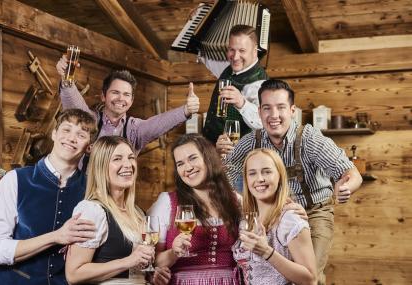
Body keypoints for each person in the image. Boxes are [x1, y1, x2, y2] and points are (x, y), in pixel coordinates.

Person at [219, 79, 363, 284]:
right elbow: (226, 173)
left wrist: (345, 187)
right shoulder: (252, 141)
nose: (274, 115)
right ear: (259, 112)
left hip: (314, 212)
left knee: (309, 276)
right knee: (275, 272)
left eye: (281, 107)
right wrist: (221, 157)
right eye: (267, 108)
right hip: (273, 213)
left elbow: (350, 172)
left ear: (292, 110)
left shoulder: (310, 139)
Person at [0, 108, 98, 285]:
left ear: (89, 147)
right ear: (54, 134)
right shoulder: (14, 180)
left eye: (81, 135)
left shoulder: (92, 191)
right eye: (66, 130)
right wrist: (56, 236)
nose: (71, 138)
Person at [149, 133, 242, 284]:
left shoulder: (235, 200)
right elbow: (154, 262)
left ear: (208, 158)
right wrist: (174, 252)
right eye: (180, 164)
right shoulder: (167, 202)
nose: (188, 167)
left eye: (192, 158)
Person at [56, 60, 200, 153]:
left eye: (126, 94)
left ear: (131, 101)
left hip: (118, 199)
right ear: (103, 96)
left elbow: (159, 123)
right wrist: (66, 78)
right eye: (115, 92)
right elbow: (74, 105)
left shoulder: (135, 130)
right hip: (84, 197)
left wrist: (186, 110)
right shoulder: (90, 121)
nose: (120, 98)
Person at [65, 136, 154, 284]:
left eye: (131, 157)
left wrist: (153, 275)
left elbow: (136, 270)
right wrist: (128, 261)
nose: (127, 164)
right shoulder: (92, 210)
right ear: (101, 166)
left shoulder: (138, 212)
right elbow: (73, 274)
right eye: (117, 159)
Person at [233, 148, 316, 285]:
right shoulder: (245, 219)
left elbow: (310, 279)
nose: (259, 179)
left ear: (280, 176)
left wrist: (267, 252)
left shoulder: (290, 219)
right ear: (246, 180)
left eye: (267, 172)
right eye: (252, 173)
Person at [202, 24, 269, 144]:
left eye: (242, 50)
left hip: (240, 156)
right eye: (232, 49)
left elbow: (264, 123)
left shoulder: (261, 83)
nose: (235, 57)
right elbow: (204, 54)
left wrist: (242, 103)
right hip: (211, 148)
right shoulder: (229, 67)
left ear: (254, 51)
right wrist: (197, 20)